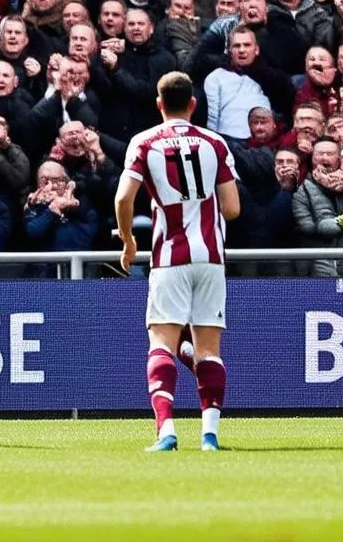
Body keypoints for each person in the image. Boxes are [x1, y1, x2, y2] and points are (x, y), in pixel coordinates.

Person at [114, 71, 240, 452]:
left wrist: (128, 240)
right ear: (193, 104)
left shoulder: (145, 141)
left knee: (162, 344)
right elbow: (233, 209)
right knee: (208, 350)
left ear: (158, 103)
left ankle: (166, 430)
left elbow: (123, 199)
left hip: (169, 256)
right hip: (211, 257)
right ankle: (210, 436)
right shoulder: (214, 143)